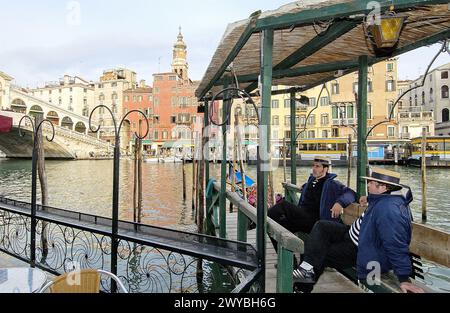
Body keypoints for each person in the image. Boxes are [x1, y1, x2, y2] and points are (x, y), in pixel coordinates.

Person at [293, 167, 424, 293]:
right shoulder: (384, 199)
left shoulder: (389, 210)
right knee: (321, 226)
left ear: (383, 187)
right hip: (355, 235)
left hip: (361, 249)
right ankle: (305, 271)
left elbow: (395, 244)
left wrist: (403, 277)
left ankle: (302, 287)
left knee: (318, 252)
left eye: (371, 183)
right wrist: (368, 198)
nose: (368, 185)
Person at [268, 156, 356, 252]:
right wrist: (305, 186)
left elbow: (351, 193)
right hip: (302, 218)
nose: (314, 168)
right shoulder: (311, 181)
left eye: (317, 166)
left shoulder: (332, 184)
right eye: (313, 166)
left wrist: (340, 203)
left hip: (316, 221)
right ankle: (292, 262)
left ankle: (262, 219)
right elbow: (313, 188)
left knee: (283, 205)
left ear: (325, 169)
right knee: (274, 229)